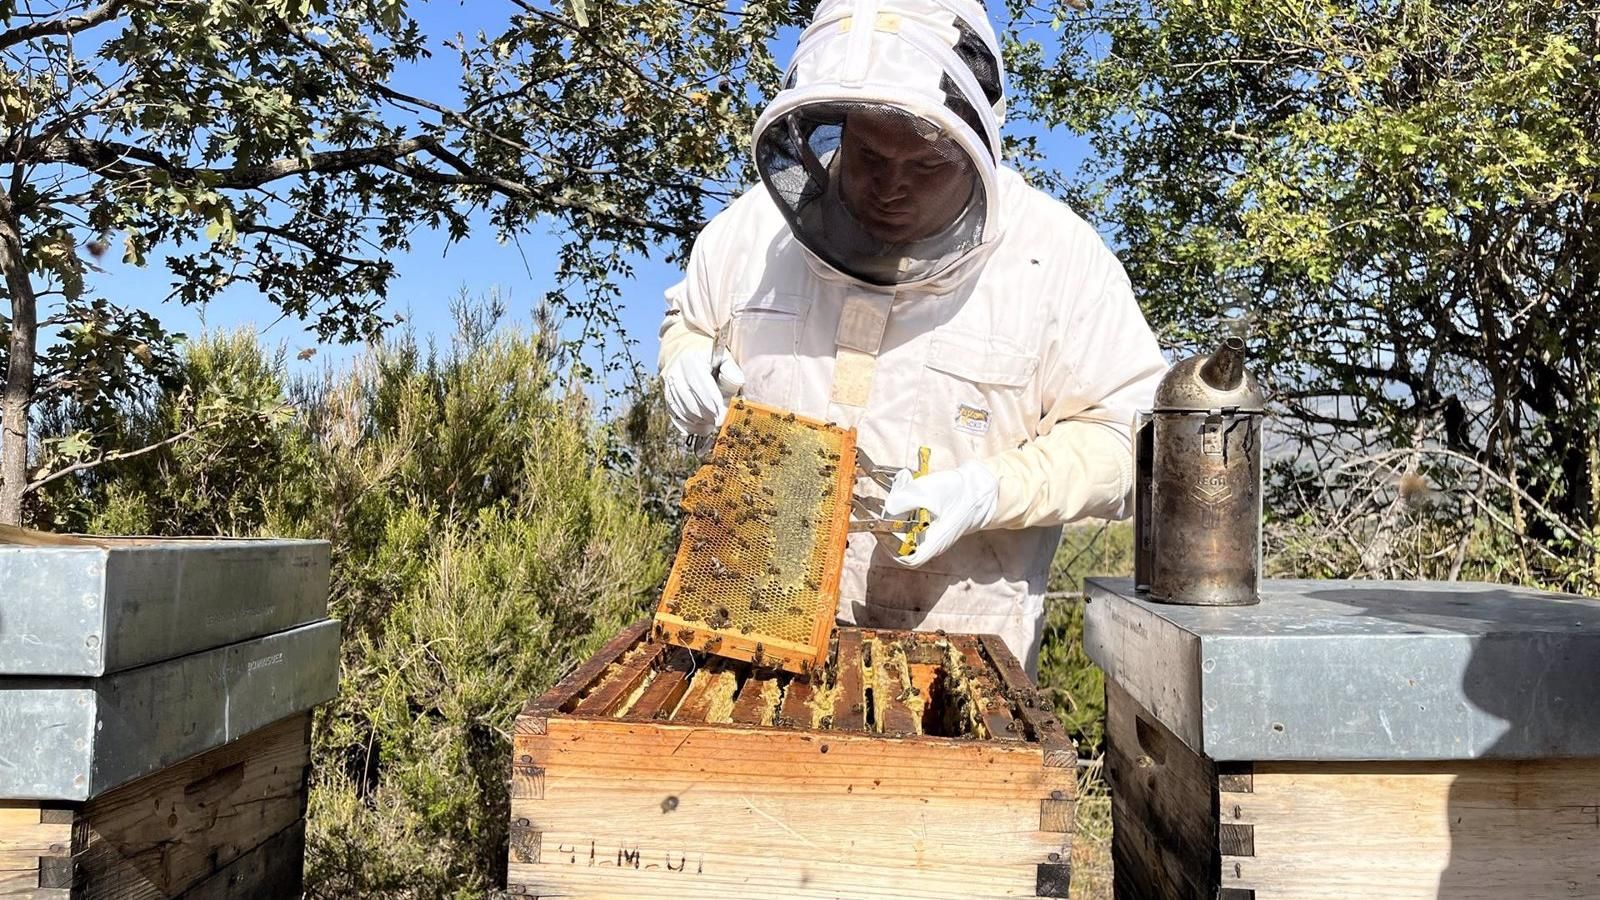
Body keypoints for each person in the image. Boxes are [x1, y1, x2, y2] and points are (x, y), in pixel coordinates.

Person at [658, 0, 1167, 676]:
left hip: (959, 665)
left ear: (973, 144)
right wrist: (687, 359)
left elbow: (1125, 442)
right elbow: (690, 320)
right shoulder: (751, 232)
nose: (891, 188)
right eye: (869, 155)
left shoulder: (1059, 260)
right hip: (748, 631)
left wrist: (989, 489)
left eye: (925, 166)